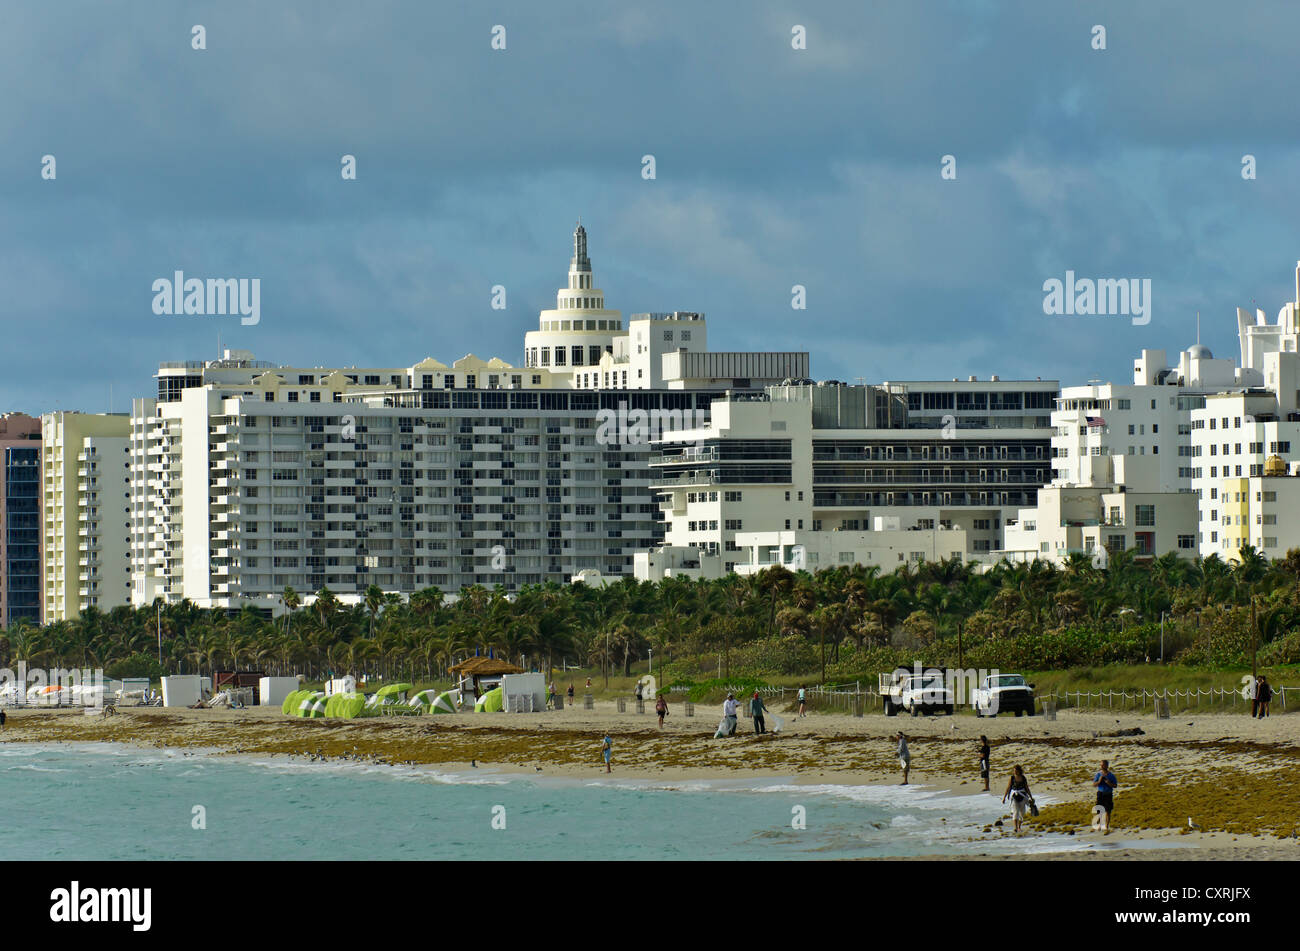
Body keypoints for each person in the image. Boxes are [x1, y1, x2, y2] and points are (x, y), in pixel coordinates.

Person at [1002, 765, 1034, 833]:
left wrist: (1031, 797)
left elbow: (1027, 788)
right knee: (1015, 812)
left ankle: (1019, 826)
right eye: (1014, 771)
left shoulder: (1023, 778)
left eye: (1016, 771)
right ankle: (1015, 828)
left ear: (1019, 771)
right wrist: (1004, 797)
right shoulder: (1012, 778)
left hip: (1022, 796)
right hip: (1014, 796)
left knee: (1022, 813)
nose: (1015, 772)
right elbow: (1008, 788)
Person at [1093, 759, 1119, 834]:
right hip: (1100, 793)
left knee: (1108, 811)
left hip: (1108, 794)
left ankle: (1106, 826)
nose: (1101, 766)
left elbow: (1115, 785)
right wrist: (1099, 781)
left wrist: (1108, 782)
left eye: (1103, 765)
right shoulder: (1098, 774)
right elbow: (1094, 784)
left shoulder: (1111, 775)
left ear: (1107, 766)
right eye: (1101, 765)